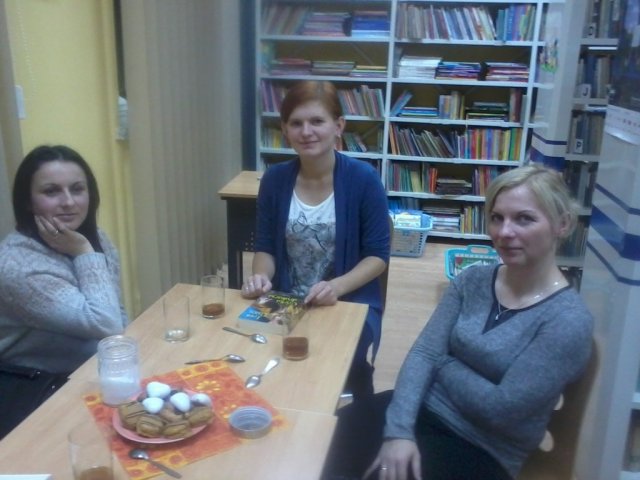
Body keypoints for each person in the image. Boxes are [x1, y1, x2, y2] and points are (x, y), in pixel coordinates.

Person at [324, 164, 594, 480]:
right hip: (422, 409)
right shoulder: (473, 279)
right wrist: (399, 432)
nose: (505, 232)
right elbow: (422, 355)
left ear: (563, 224)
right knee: (324, 440)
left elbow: (500, 410)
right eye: (497, 218)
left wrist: (443, 363)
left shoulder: (567, 320)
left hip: (483, 447)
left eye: (524, 219)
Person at [241, 80, 391, 398]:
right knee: (251, 355)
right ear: (285, 129)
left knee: (324, 365)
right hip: (286, 300)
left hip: (346, 301)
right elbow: (265, 246)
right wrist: (261, 277)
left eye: (317, 121)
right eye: (296, 123)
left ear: (338, 126)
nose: (306, 131)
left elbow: (377, 256)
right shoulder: (274, 180)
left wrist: (336, 287)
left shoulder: (364, 179)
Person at [0, 145, 128, 438]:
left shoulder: (92, 238)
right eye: (51, 191)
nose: (68, 202)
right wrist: (84, 252)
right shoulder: (18, 266)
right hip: (38, 391)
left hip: (90, 374)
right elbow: (106, 324)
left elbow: (117, 314)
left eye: (77, 189)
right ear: (28, 201)